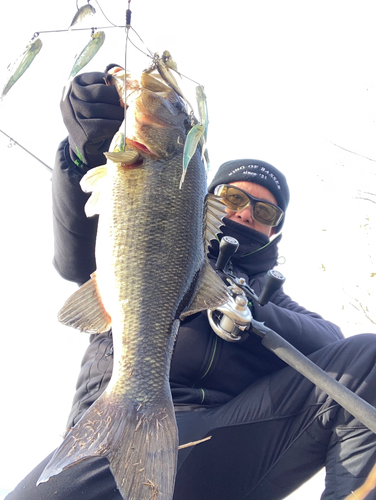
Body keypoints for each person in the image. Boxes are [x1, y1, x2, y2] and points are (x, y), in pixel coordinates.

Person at [6, 71, 376, 500]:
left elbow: (333, 342)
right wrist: (81, 154)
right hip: (118, 425)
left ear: (275, 231)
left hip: (229, 442)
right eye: (234, 199)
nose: (244, 214)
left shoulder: (276, 299)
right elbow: (75, 253)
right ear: (207, 196)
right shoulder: (153, 228)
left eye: (264, 211)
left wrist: (247, 307)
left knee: (368, 358)